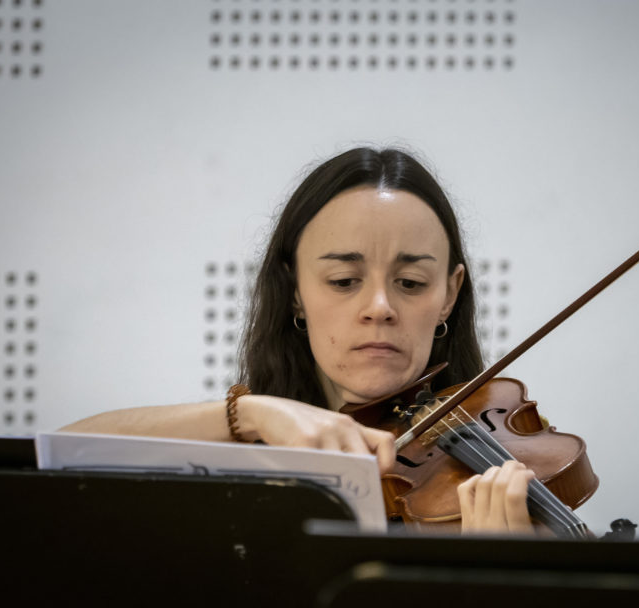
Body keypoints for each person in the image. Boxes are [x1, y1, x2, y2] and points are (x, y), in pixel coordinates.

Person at [62, 147, 536, 533]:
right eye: (343, 280)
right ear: (294, 293)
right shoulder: (242, 451)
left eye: (410, 282)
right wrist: (248, 414)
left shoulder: (501, 484)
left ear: (449, 295)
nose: (379, 306)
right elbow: (62, 458)